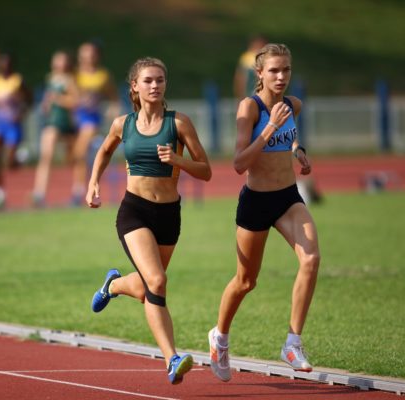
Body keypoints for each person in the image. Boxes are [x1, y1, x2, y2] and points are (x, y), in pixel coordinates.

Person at [86, 57, 212, 384]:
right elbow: (104, 151)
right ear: (135, 86)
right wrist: (94, 182)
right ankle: (172, 359)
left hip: (169, 215)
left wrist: (178, 160)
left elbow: (206, 171)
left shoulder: (179, 123)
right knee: (156, 281)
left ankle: (113, 285)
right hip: (135, 211)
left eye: (160, 80)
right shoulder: (122, 124)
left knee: (146, 288)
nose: (155, 85)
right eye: (148, 80)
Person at [208, 43, 320, 382]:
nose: (281, 76)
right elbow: (239, 163)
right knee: (246, 281)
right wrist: (270, 126)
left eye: (286, 69)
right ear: (259, 73)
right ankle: (220, 337)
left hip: (287, 198)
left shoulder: (293, 105)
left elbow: (290, 134)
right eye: (274, 70)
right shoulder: (250, 108)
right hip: (256, 202)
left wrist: (297, 150)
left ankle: (292, 343)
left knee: (311, 259)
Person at [71, 41, 119, 205]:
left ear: (97, 56)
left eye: (92, 53)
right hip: (72, 118)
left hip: (91, 119)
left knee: (81, 151)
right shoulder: (74, 74)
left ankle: (79, 191)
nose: (88, 57)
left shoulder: (103, 75)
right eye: (85, 53)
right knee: (75, 156)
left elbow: (114, 98)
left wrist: (113, 111)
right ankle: (79, 187)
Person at [31, 51, 79, 208]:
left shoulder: (69, 80)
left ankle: (78, 191)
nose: (60, 64)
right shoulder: (51, 79)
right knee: (46, 156)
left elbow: (75, 101)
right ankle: (39, 193)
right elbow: (48, 98)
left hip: (67, 123)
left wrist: (58, 99)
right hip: (53, 122)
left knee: (74, 159)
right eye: (57, 61)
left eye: (62, 61)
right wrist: (46, 105)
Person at [0, 53, 32, 210]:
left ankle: (20, 158)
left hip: (13, 125)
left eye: (8, 64)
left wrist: (21, 113)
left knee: (10, 163)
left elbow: (29, 99)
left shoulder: (17, 80)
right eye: (2, 63)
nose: (5, 66)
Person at [233, 35, 267, 100]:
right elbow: (240, 78)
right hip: (250, 93)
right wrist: (240, 95)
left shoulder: (267, 56)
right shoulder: (247, 58)